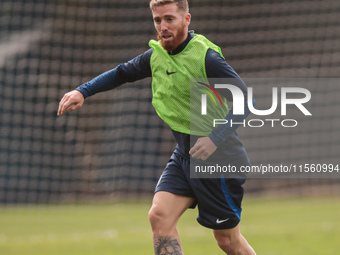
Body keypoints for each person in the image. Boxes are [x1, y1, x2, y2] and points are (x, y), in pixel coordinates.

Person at [58, 0, 256, 254]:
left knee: (228, 241)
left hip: (219, 158)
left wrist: (215, 138)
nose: (162, 26)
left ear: (186, 19)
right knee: (159, 217)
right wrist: (82, 91)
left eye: (169, 19)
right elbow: (121, 73)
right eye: (157, 20)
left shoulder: (206, 57)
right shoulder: (156, 56)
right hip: (185, 155)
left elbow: (246, 100)